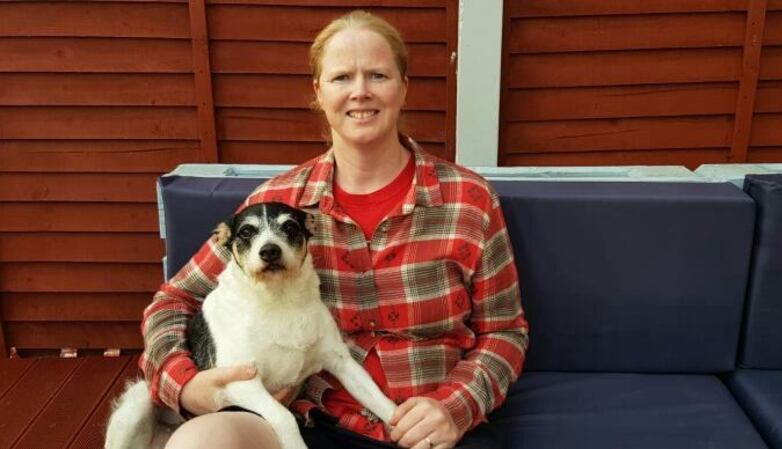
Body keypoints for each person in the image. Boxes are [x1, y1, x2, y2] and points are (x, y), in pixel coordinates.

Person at [141, 10, 528, 449]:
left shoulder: (468, 201)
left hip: (434, 430)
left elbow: (505, 332)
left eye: (378, 75)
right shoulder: (278, 204)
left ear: (403, 87)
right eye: (342, 77)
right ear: (319, 93)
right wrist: (185, 385)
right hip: (311, 421)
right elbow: (175, 299)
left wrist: (455, 407)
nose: (360, 91)